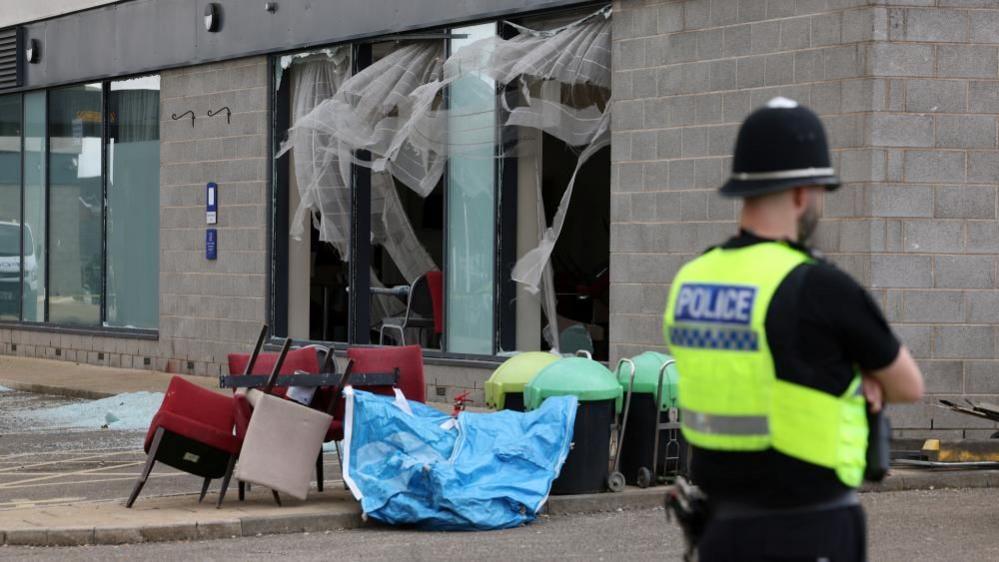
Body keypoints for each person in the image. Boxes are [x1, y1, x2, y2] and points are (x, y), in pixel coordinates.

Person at [662, 97, 924, 561]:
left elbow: (748, 365)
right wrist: (858, 373)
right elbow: (908, 385)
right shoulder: (818, 286)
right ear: (803, 193)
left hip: (719, 528)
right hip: (808, 527)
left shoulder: (692, 279)